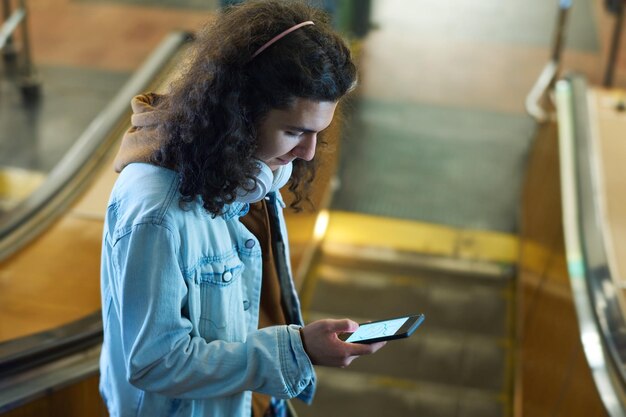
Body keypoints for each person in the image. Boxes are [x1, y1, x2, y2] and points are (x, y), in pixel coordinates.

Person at [99, 1, 385, 416]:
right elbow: (156, 362)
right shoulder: (155, 214)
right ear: (239, 113)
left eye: (316, 133)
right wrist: (295, 351)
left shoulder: (244, 172)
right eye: (294, 131)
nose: (306, 153)